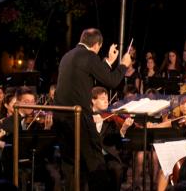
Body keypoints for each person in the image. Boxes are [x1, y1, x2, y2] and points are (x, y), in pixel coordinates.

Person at [54, 28, 133, 189]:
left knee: (70, 164)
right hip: (78, 117)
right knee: (96, 162)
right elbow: (111, 81)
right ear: (97, 45)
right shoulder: (90, 56)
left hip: (61, 117)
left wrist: (108, 61)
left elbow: (90, 72)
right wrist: (123, 65)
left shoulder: (67, 56)